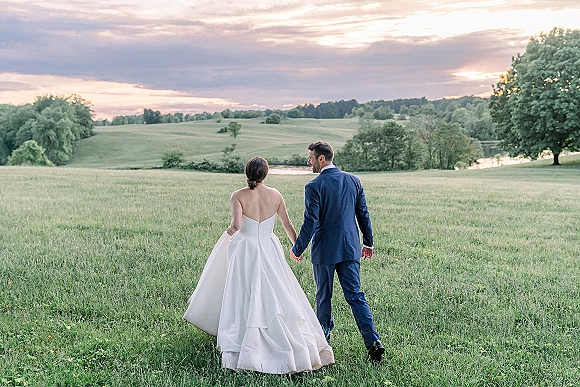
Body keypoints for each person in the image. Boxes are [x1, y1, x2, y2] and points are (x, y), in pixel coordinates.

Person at [184, 156, 334, 374]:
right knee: (275, 289)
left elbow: (236, 225)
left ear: (247, 173)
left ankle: (246, 335)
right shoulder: (276, 195)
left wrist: (227, 235)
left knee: (244, 291)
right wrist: (296, 248)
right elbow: (286, 223)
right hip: (268, 247)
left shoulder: (238, 196)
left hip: (245, 248)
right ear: (265, 173)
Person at [290, 141, 384, 362]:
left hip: (325, 251)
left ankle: (323, 343)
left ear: (321, 159)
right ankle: (373, 342)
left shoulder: (314, 186)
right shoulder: (353, 180)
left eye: (311, 158)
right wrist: (368, 242)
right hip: (351, 247)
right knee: (355, 295)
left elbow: (310, 221)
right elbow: (363, 213)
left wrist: (298, 248)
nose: (308, 162)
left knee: (324, 297)